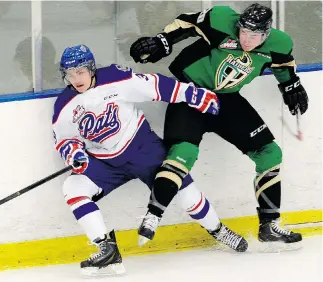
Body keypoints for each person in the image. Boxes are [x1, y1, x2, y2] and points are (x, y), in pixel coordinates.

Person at [52, 45, 248, 277]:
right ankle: (106, 247)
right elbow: (65, 139)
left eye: (81, 72)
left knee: (186, 193)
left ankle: (218, 230)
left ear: (91, 68)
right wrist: (73, 153)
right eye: (70, 74)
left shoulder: (115, 78)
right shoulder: (64, 105)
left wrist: (191, 94)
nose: (76, 79)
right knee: (72, 187)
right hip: (105, 163)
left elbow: (154, 86)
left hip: (143, 149)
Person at [130, 3, 307, 245]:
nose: (246, 39)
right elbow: (187, 22)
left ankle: (269, 225)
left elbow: (283, 63)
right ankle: (153, 215)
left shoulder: (279, 43)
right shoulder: (222, 19)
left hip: (227, 101)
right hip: (191, 94)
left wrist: (290, 85)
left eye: (254, 35)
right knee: (183, 153)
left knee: (270, 154)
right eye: (243, 32)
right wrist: (163, 40)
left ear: (266, 34)